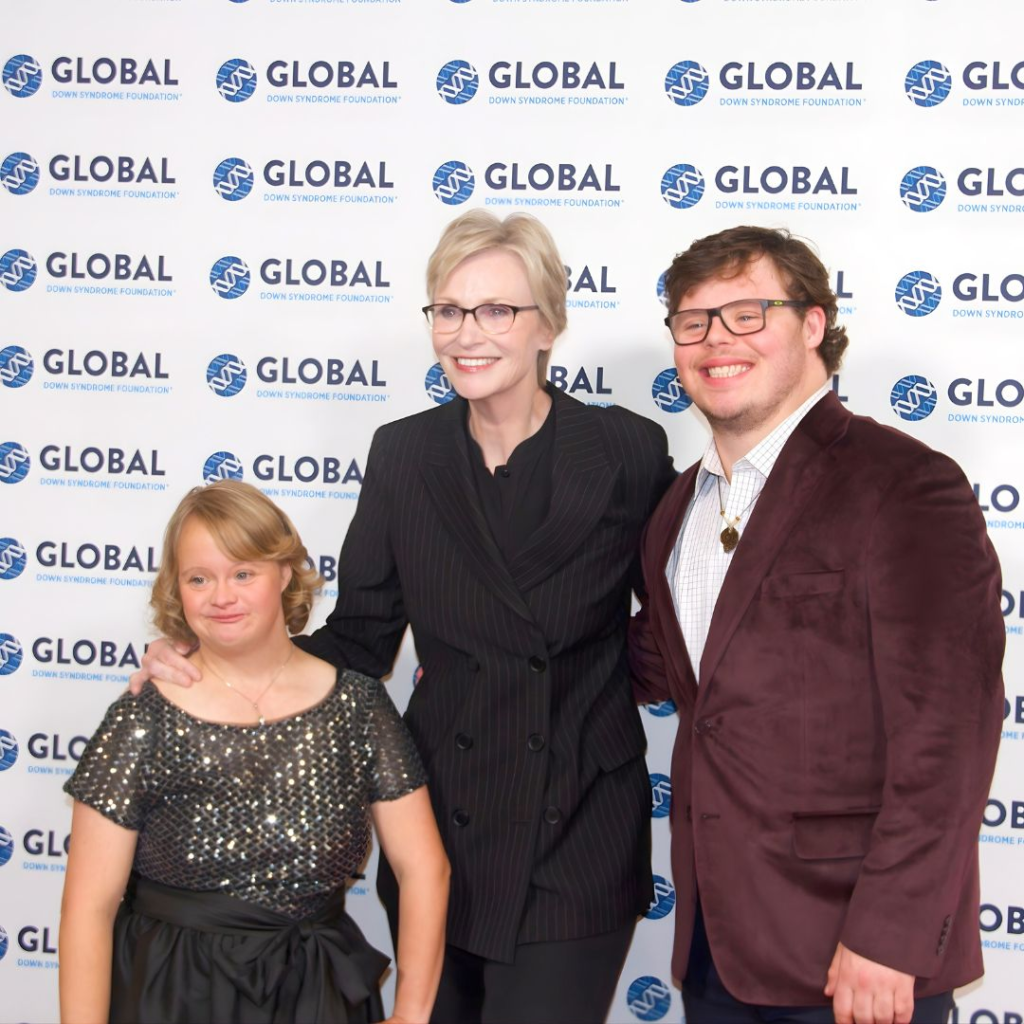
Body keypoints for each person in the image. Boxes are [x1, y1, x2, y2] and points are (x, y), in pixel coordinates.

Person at [130, 210, 676, 1024]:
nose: (467, 333)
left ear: (548, 326)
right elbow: (361, 638)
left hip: (581, 827)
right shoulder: (404, 455)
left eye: (497, 310)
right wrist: (208, 666)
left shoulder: (627, 449)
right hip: (440, 826)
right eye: (448, 310)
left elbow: (671, 614)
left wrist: (604, 695)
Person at [629, 225, 1004, 1024]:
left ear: (812, 325)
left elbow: (950, 733)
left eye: (747, 313)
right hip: (715, 950)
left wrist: (891, 936)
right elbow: (660, 671)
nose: (715, 340)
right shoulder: (675, 509)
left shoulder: (904, 484)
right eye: (692, 321)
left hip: (855, 956)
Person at [61, 481, 448, 1024]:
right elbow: (88, 908)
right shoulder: (141, 716)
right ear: (178, 588)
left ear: (285, 573)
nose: (222, 596)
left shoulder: (358, 705)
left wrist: (410, 1015)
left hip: (316, 991)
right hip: (170, 992)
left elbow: (424, 868)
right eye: (199, 578)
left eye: (243, 573)